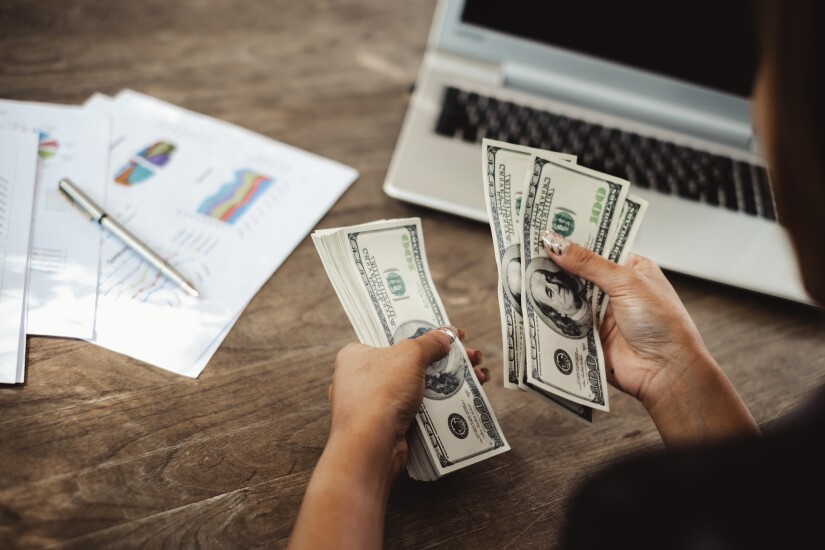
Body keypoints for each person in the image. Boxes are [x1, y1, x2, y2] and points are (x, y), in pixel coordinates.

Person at [289, 0, 824, 547]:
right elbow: (769, 511)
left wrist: (360, 439)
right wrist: (674, 368)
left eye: (764, 70)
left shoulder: (640, 513)